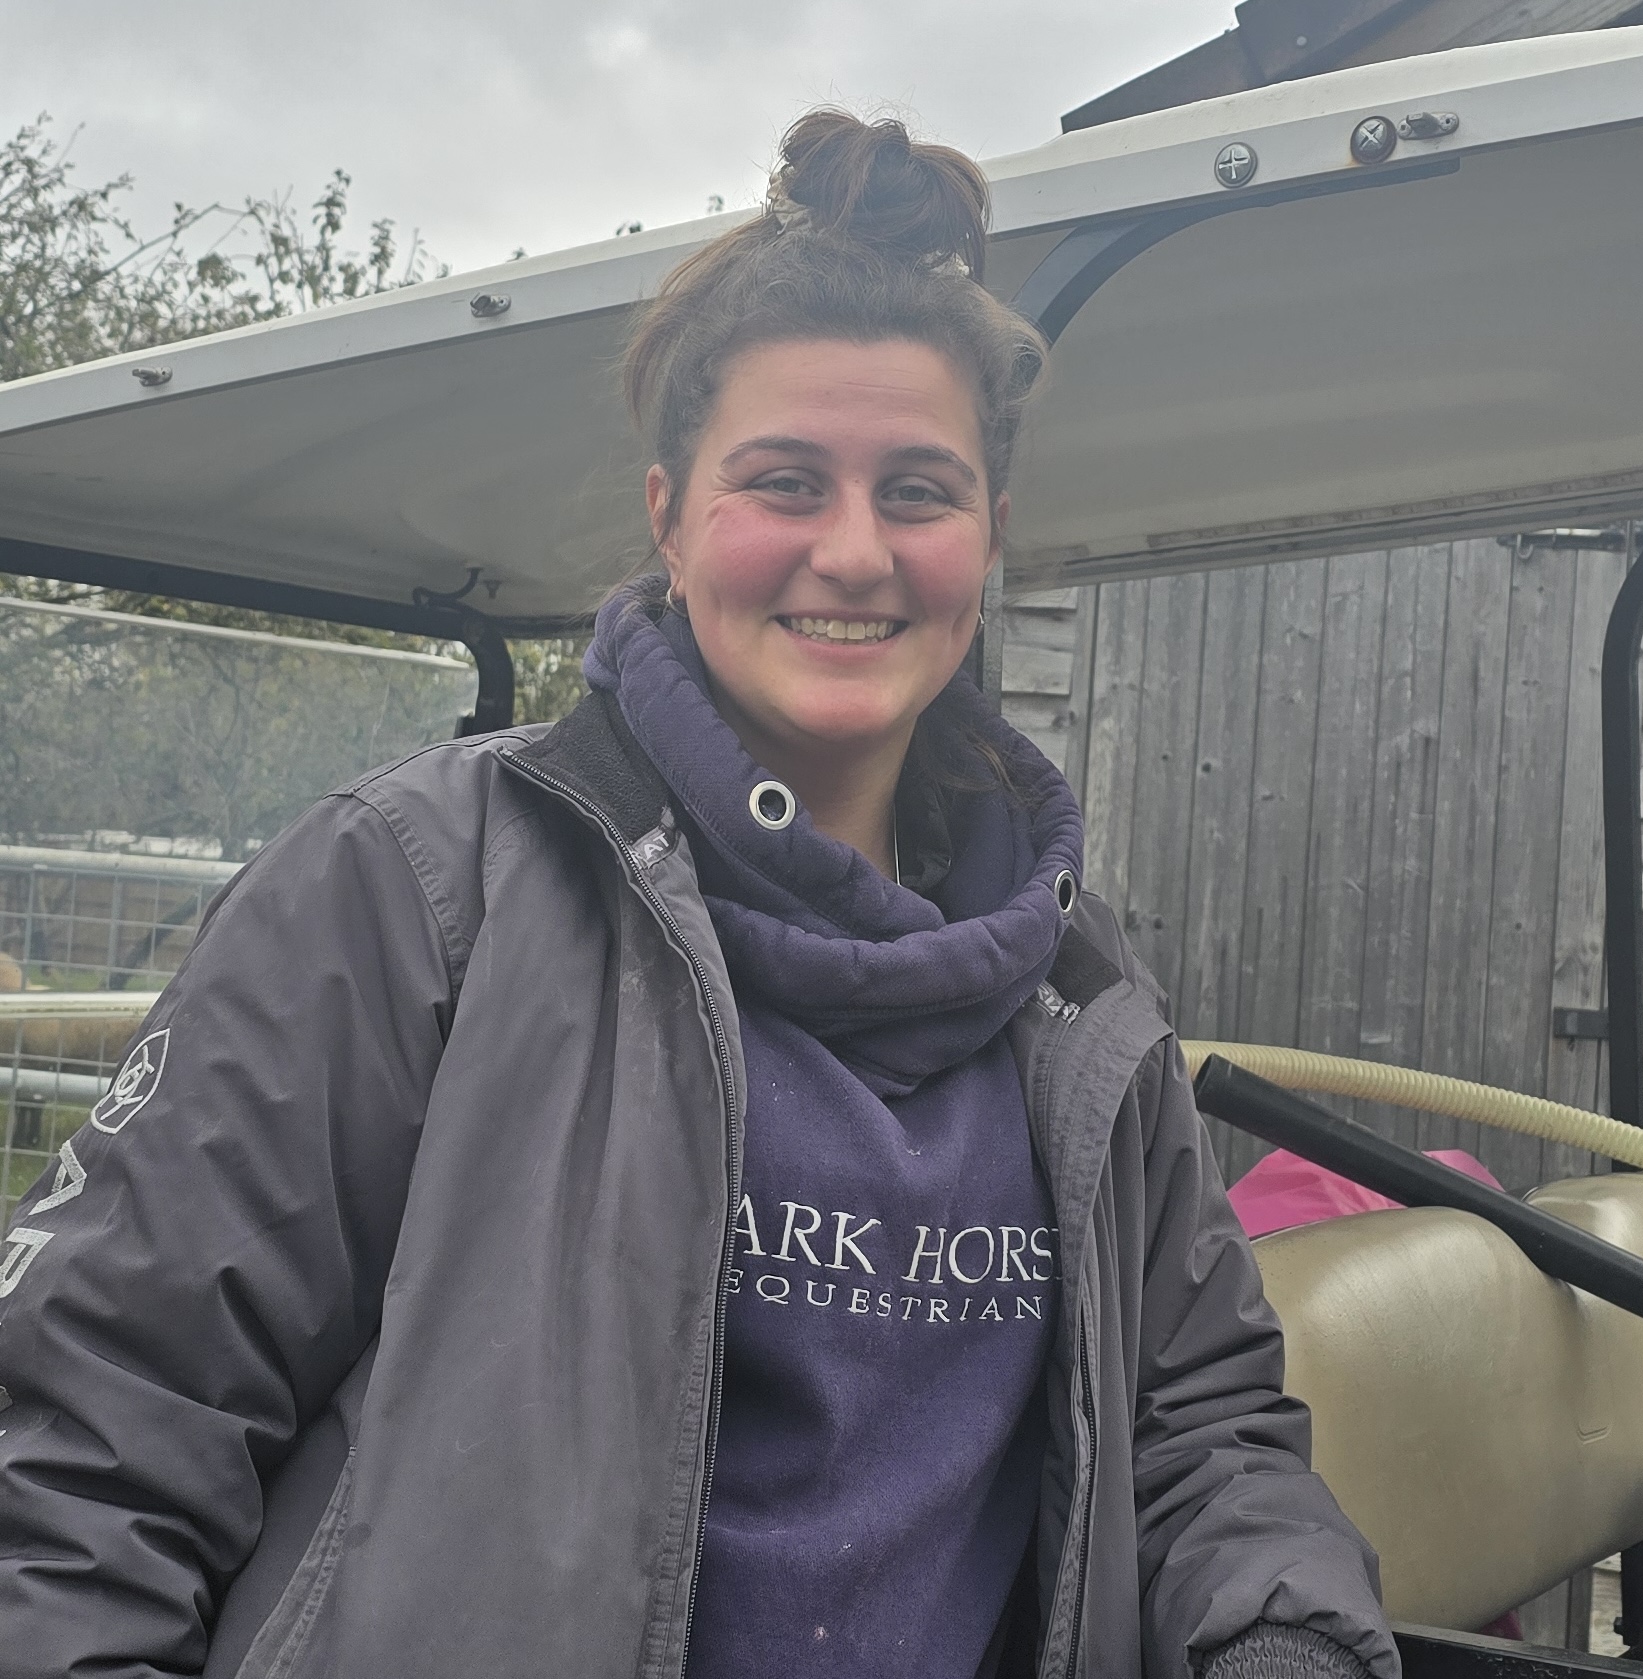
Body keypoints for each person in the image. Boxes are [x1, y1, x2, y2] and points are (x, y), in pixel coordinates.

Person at [0, 112, 1398, 1679]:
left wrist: (1286, 1637)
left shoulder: (1075, 983)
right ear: (671, 517)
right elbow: (91, 1440)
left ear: (992, 539)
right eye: (784, 482)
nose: (855, 552)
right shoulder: (412, 888)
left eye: (919, 491)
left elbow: (1200, 1426)